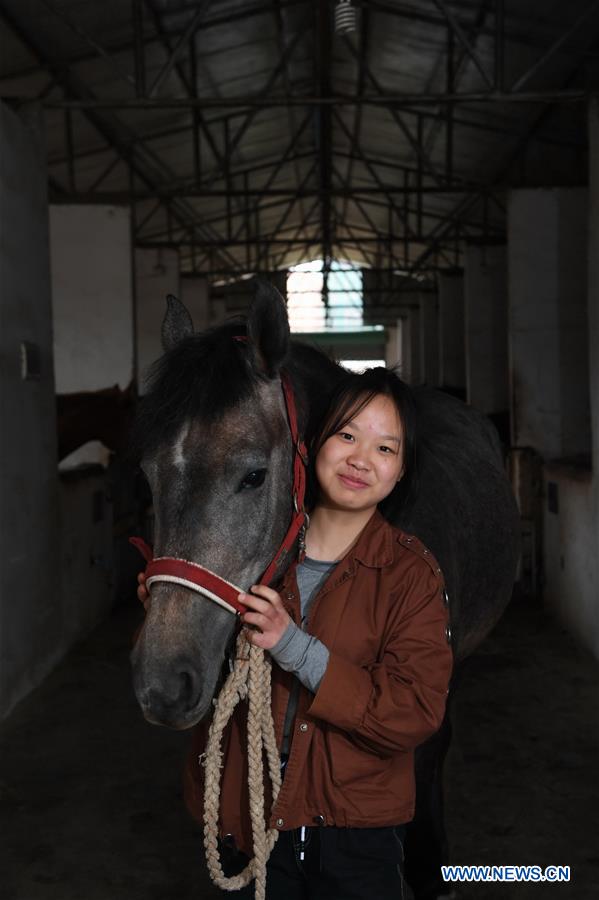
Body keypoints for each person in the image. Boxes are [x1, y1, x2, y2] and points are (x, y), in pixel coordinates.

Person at [138, 367, 453, 900]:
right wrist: (174, 616)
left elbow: (412, 711)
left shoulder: (411, 576)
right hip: (253, 821)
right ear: (310, 446)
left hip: (356, 835)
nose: (360, 459)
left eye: (385, 448)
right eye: (347, 436)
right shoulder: (254, 560)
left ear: (401, 471)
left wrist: (295, 649)